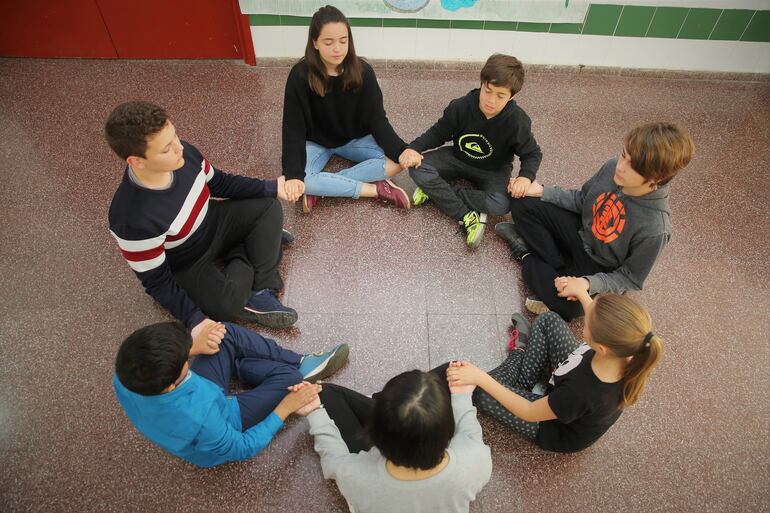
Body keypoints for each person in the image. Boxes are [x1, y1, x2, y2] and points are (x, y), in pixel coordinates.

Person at [106, 101, 298, 335]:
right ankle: (253, 248)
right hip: (188, 261)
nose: (179, 148)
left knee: (268, 205)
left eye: (175, 136)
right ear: (136, 161)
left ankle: (261, 288)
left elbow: (220, 183)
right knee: (225, 307)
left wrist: (271, 186)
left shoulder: (185, 154)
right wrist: (195, 320)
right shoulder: (131, 220)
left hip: (213, 221)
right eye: (166, 149)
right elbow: (157, 281)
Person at [496, 122, 694, 319]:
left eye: (631, 166)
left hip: (598, 267)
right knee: (522, 200)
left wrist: (587, 284)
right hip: (580, 231)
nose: (621, 166)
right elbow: (582, 200)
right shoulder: (612, 167)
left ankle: (526, 253)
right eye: (624, 155)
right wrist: (541, 191)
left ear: (655, 178)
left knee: (571, 309)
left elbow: (630, 278)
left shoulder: (656, 228)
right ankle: (555, 267)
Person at [447, 286, 663, 453]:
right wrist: (581, 292)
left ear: (602, 347)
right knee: (549, 319)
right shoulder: (626, 352)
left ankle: (518, 355)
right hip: (566, 382)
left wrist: (480, 378)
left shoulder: (582, 393)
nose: (585, 318)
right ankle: (520, 379)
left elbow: (529, 413)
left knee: (481, 392)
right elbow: (600, 319)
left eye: (587, 324)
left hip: (550, 426)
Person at [113, 320, 349, 468]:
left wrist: (195, 347)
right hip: (225, 416)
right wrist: (286, 408)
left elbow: (178, 371)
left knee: (221, 332)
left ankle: (291, 361)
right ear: (171, 385)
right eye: (186, 357)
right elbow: (243, 447)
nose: (189, 353)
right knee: (290, 378)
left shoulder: (125, 374)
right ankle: (278, 367)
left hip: (203, 398)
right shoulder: (202, 420)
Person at [299, 367, 492, 513]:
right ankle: (394, 406)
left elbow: (332, 456)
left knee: (323, 391)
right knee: (453, 369)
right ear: (449, 431)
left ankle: (385, 404)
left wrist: (315, 411)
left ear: (374, 435)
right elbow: (468, 431)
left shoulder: (354, 475)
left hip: (379, 464)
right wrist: (462, 396)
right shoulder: (476, 461)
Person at [401, 53, 542, 248]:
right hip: (457, 157)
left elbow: (532, 153)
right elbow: (438, 132)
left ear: (512, 96)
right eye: (488, 90)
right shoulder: (461, 106)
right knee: (417, 168)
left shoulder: (517, 121)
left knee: (501, 204)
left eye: (500, 96)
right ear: (482, 83)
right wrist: (413, 148)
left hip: (494, 169)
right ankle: (465, 215)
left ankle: (438, 192)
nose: (491, 100)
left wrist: (525, 177)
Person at [281, 5, 411, 213]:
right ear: (314, 42)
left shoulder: (363, 72)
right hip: (316, 142)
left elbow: (378, 120)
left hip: (353, 139)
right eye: (328, 42)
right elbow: (292, 129)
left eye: (343, 41)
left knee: (397, 163)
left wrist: (403, 150)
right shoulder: (299, 75)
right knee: (298, 177)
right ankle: (374, 189)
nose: (338, 49)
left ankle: (324, 187)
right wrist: (294, 175)